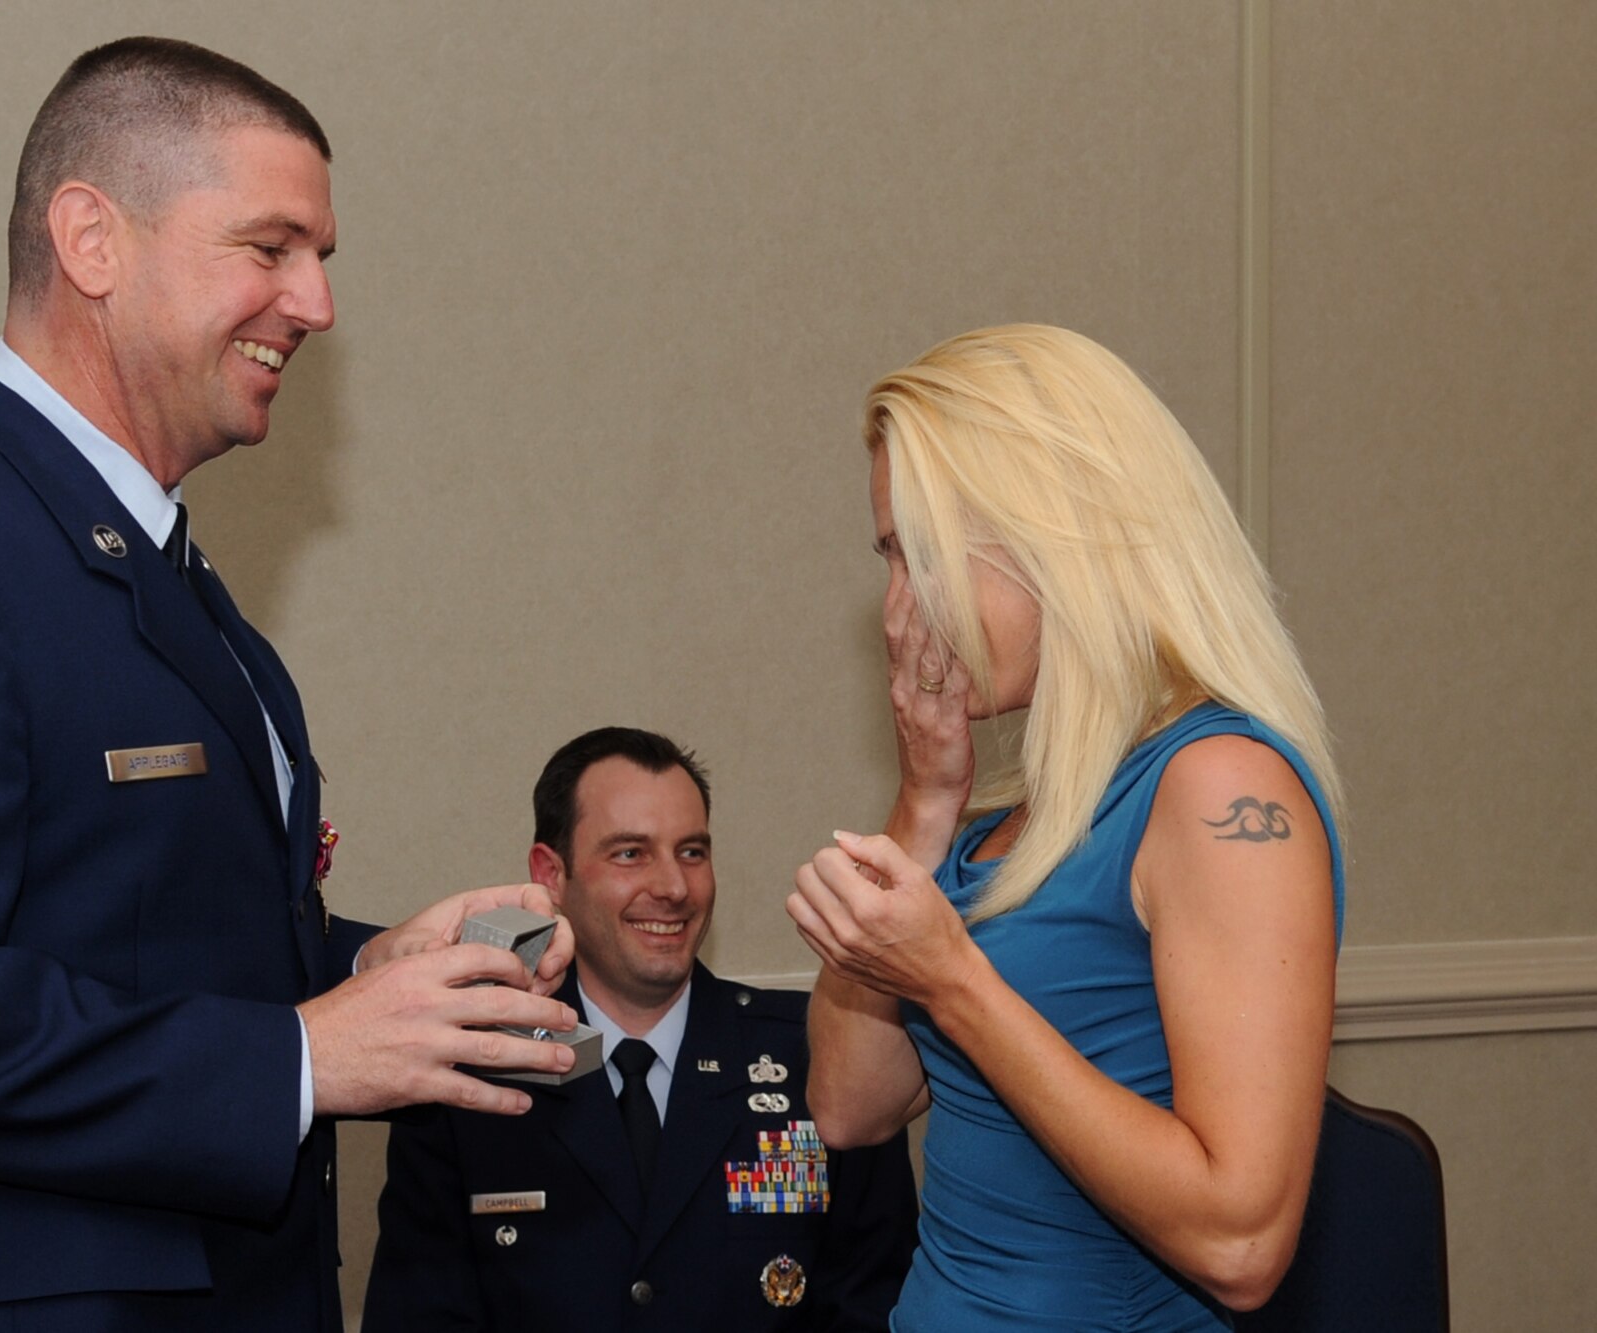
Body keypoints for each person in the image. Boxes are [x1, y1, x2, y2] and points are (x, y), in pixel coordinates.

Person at [0, 37, 582, 1333]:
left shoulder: (152, 563)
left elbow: (137, 940)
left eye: (321, 257)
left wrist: (373, 967)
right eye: (270, 247)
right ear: (92, 240)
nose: (316, 303)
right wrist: (303, 1056)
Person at [787, 324, 1346, 1331]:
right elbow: (846, 1105)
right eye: (889, 559)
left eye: (922, 555)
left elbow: (1240, 1242)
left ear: (1054, 537)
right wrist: (924, 802)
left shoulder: (1219, 787)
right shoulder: (1013, 818)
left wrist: (954, 983)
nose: (896, 610)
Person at [364, 727, 920, 1331]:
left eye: (692, 852)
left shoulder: (821, 1057)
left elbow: (879, 1304)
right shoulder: (473, 1068)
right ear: (551, 874)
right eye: (630, 853)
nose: (673, 888)